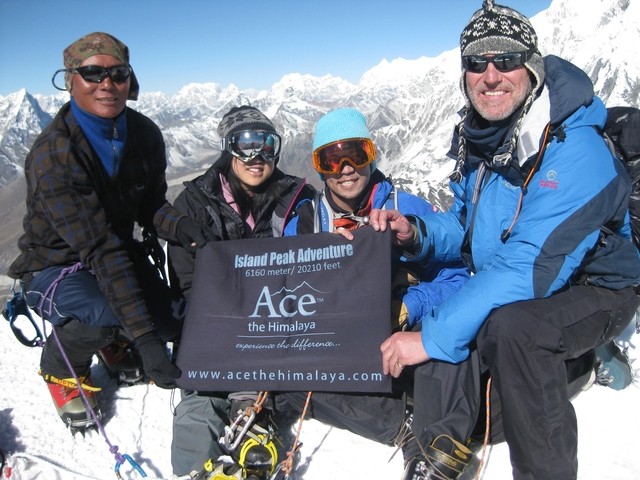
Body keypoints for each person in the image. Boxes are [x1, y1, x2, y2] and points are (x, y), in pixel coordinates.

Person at [367, 2, 640, 479]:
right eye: (476, 62)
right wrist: (416, 234)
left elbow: (526, 268)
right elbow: (468, 228)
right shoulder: (488, 140)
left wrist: (427, 340)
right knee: (469, 322)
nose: (490, 75)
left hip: (597, 291)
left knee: (512, 329)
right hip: (524, 276)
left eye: (506, 59)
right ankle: (440, 450)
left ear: (532, 67)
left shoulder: (575, 150)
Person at [7, 32, 213, 430]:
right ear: (70, 79)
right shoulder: (56, 156)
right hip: (55, 266)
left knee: (171, 322)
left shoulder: (143, 133)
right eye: (92, 73)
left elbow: (149, 205)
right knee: (103, 315)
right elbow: (101, 250)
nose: (107, 84)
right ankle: (61, 367)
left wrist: (181, 226)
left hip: (114, 252)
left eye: (117, 73)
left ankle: (115, 338)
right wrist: (146, 341)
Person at [274, 107, 470, 464]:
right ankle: (403, 422)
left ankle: (431, 430)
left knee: (445, 333)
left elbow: (457, 279)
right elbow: (284, 294)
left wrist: (411, 306)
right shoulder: (304, 224)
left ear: (371, 155)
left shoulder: (408, 211)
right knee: (290, 383)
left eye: (356, 153)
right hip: (339, 345)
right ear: (319, 167)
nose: (346, 168)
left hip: (400, 340)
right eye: (331, 158)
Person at [168, 105, 315, 477]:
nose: (257, 156)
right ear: (227, 148)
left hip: (276, 322)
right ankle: (194, 470)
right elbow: (186, 281)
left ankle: (255, 430)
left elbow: (316, 265)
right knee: (200, 397)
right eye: (244, 144)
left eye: (266, 144)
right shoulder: (194, 205)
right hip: (214, 322)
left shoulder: (298, 198)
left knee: (262, 379)